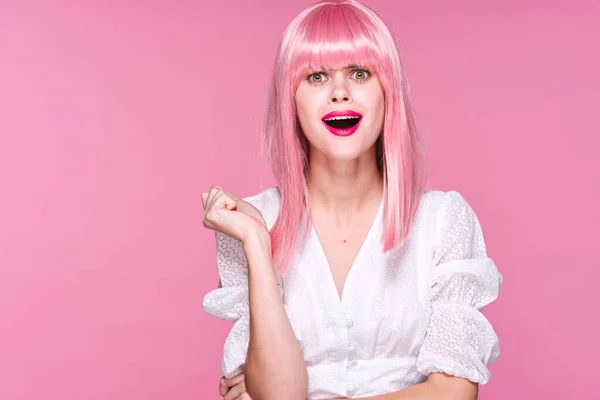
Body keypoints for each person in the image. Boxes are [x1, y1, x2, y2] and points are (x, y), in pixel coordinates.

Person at [201, 0, 503, 399]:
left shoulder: (443, 220)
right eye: (316, 76)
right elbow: (279, 393)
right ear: (290, 99)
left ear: (387, 91)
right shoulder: (251, 223)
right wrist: (257, 244)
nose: (339, 93)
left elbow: (453, 393)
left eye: (360, 73)